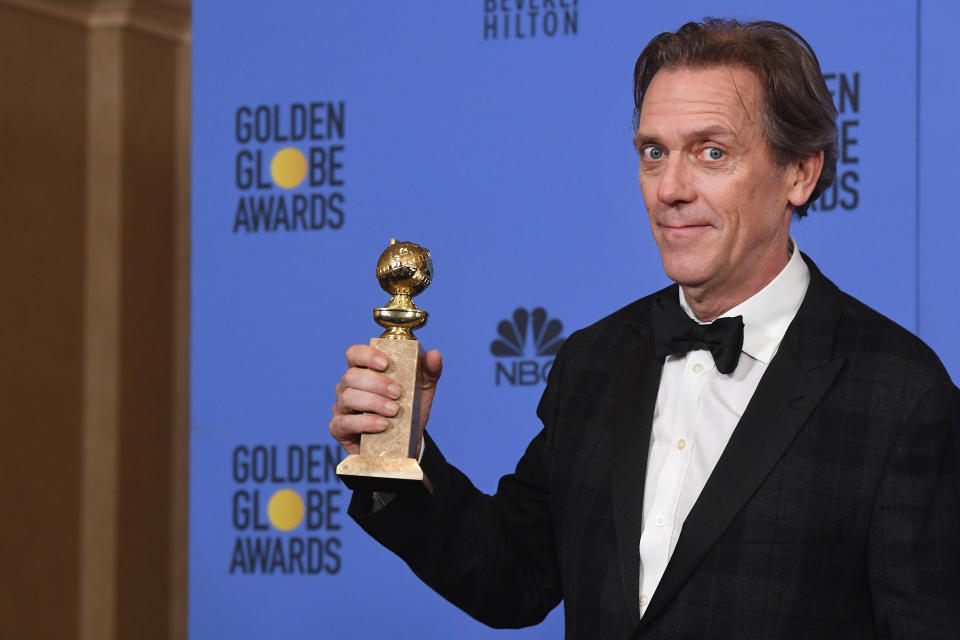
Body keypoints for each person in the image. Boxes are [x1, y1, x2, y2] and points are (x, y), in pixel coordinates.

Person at [330, 18, 960, 639]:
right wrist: (397, 455)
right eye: (654, 153)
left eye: (712, 153)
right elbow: (514, 579)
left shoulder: (900, 395)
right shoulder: (594, 360)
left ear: (800, 173)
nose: (671, 189)